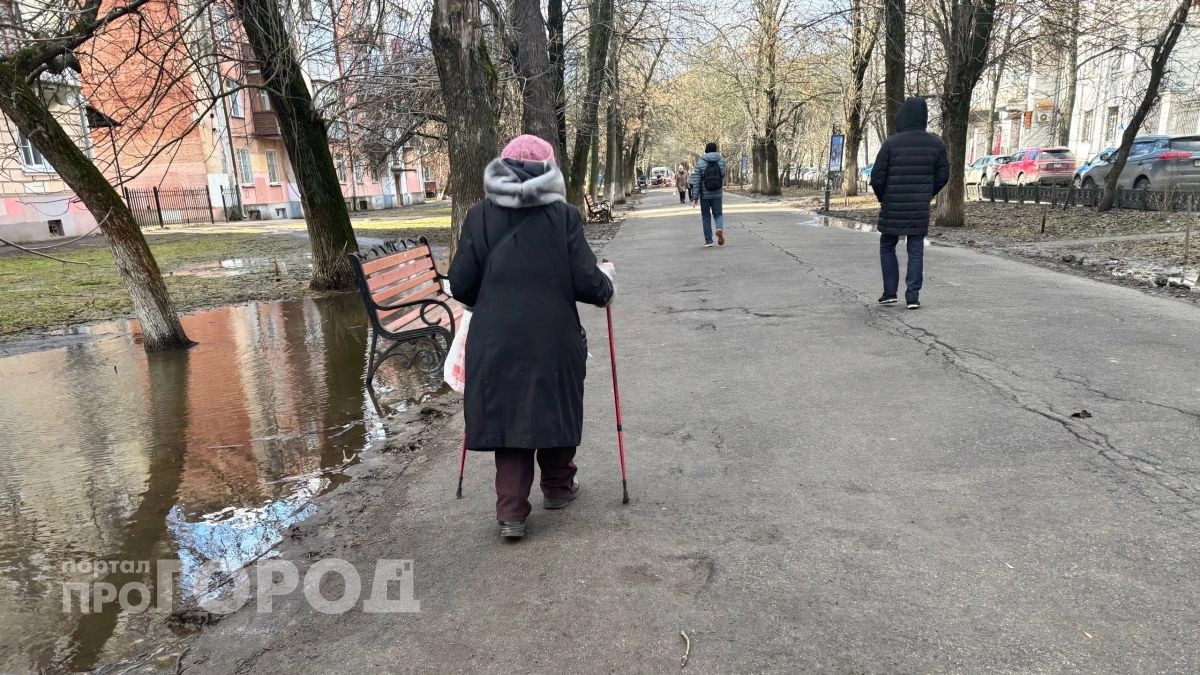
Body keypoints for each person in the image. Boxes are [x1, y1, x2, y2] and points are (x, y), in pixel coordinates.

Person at [448, 135, 616, 541]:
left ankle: (511, 513)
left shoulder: (478, 216)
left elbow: (460, 284)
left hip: (496, 338)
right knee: (554, 404)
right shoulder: (564, 217)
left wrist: (491, 299)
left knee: (509, 418)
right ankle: (558, 489)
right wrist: (606, 282)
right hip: (553, 335)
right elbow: (588, 284)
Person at [869, 96, 949, 310]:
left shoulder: (891, 144)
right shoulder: (936, 144)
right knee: (915, 248)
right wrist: (927, 193)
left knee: (887, 245)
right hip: (918, 206)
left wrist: (883, 196)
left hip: (892, 204)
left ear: (902, 117)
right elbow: (943, 175)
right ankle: (912, 296)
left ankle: (889, 292)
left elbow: (877, 176)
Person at [690, 142, 728, 247]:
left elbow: (696, 181)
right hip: (717, 193)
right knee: (718, 213)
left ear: (706, 150)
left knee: (706, 216)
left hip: (704, 195)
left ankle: (709, 241)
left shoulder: (700, 162)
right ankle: (719, 228)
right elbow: (722, 175)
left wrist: (695, 197)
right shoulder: (721, 161)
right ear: (716, 150)